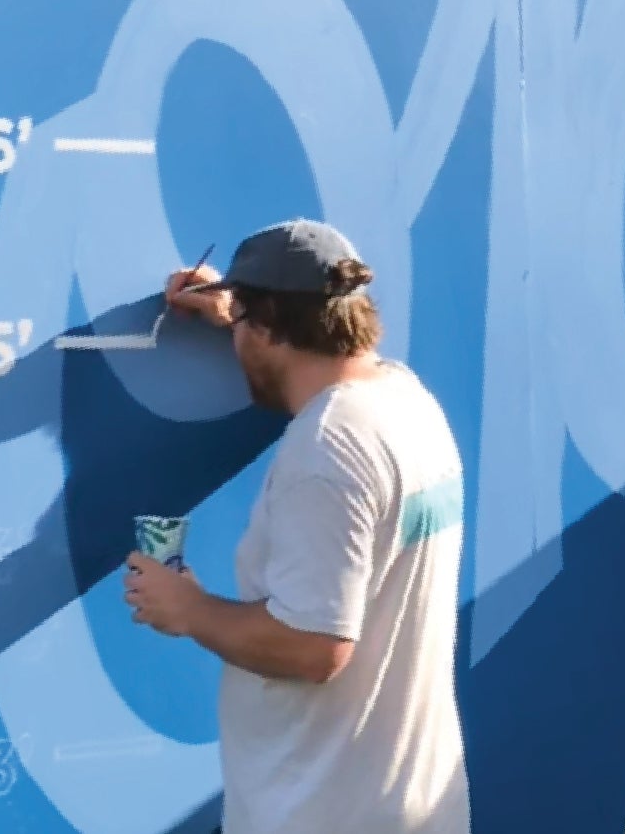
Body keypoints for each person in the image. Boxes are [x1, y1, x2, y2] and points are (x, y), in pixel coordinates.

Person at [123, 219, 470, 834]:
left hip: (322, 814)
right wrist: (245, 314)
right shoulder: (404, 400)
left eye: (248, 324)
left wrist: (188, 608)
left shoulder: (330, 450)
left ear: (274, 326)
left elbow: (315, 647)